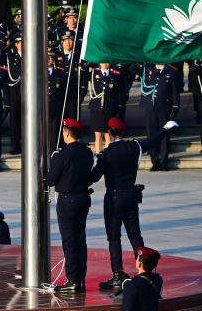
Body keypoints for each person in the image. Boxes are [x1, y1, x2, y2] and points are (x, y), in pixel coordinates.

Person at [90, 117, 179, 289]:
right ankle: (145, 271)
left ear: (109, 133)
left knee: (114, 237)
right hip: (130, 195)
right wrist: (165, 129)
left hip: (114, 198)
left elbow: (94, 177)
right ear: (123, 132)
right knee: (135, 235)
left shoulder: (107, 154)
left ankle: (117, 274)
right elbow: (151, 142)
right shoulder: (133, 147)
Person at [46, 119, 94, 292]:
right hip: (83, 197)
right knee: (80, 240)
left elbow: (51, 180)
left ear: (66, 133)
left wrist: (54, 162)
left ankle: (73, 279)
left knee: (69, 241)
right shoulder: (87, 152)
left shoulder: (62, 154)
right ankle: (80, 279)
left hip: (67, 200)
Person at [138, 64, 180, 171]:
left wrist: (175, 107)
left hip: (164, 108)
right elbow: (132, 68)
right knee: (151, 135)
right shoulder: (148, 68)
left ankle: (163, 162)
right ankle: (155, 162)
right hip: (150, 108)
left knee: (164, 136)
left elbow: (175, 91)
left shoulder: (171, 71)